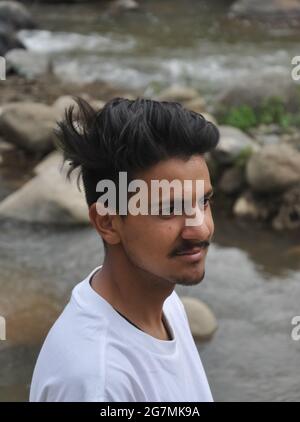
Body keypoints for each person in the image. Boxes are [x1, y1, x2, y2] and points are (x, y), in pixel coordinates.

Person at [29, 97, 219, 402]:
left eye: (204, 201)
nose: (201, 228)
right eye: (170, 208)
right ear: (107, 222)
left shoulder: (165, 304)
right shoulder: (96, 381)